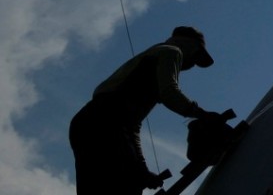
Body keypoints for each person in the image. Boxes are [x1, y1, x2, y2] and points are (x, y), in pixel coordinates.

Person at [69, 26, 220, 195]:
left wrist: (141, 170)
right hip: (108, 122)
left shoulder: (148, 58)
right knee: (126, 185)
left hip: (85, 122)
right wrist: (202, 114)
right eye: (196, 57)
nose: (192, 65)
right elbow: (169, 92)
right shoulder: (172, 52)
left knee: (95, 186)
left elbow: (131, 127)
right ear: (189, 46)